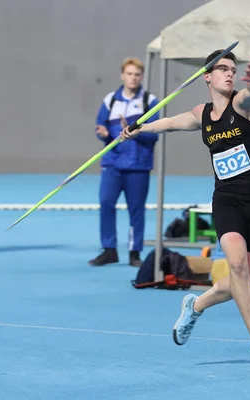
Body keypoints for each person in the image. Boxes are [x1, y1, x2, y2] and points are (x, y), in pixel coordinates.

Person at [120, 50, 250, 372]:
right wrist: (142, 128)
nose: (229, 74)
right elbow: (171, 123)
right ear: (207, 76)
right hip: (227, 201)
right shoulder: (201, 113)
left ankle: (197, 304)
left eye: (233, 69)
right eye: (222, 69)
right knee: (236, 266)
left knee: (244, 277)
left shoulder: (243, 106)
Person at [89, 57, 160, 268]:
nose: (133, 78)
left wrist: (134, 130)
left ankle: (134, 252)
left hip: (138, 165)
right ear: (123, 75)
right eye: (129, 74)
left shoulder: (150, 101)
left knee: (136, 209)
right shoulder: (111, 100)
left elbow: (154, 135)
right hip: (113, 163)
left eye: (137, 74)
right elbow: (101, 126)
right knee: (106, 203)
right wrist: (102, 133)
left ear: (142, 77)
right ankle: (109, 249)